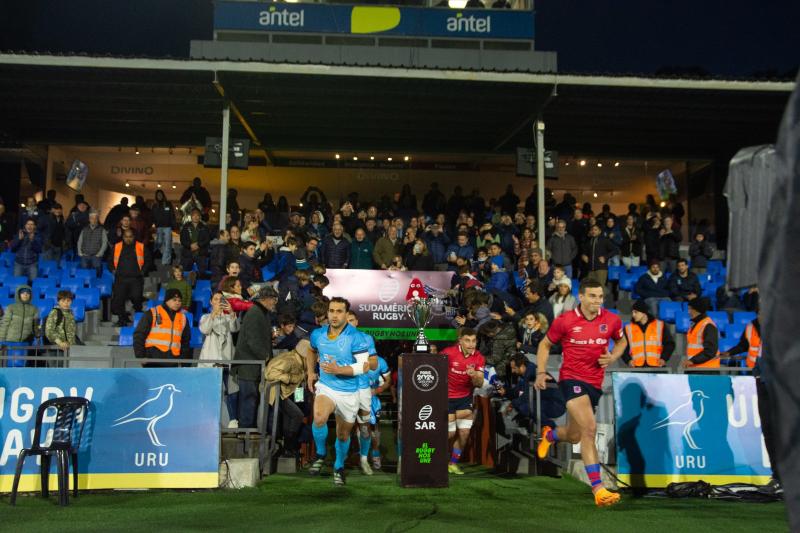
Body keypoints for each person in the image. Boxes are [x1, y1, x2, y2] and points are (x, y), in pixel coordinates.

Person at [535, 279, 627, 507]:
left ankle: (551, 435)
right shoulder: (565, 320)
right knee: (590, 428)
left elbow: (622, 341)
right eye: (593, 296)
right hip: (571, 380)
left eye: (601, 296)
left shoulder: (612, 320)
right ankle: (598, 488)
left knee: (575, 435)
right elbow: (545, 344)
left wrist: (613, 356)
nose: (598, 300)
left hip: (594, 383)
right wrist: (541, 372)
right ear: (582, 297)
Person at [306, 297, 376, 486]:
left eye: (339, 311)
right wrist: (310, 372)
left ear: (346, 314)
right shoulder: (318, 334)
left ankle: (338, 466)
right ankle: (320, 454)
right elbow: (311, 350)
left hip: (349, 392)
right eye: (331, 311)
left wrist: (339, 370)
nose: (334, 315)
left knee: (343, 435)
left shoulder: (356, 337)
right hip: (326, 386)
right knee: (319, 417)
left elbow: (364, 366)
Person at [345, 311, 389, 475]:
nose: (349, 323)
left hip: (368, 397)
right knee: (347, 428)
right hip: (348, 393)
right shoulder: (340, 346)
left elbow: (387, 380)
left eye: (352, 320)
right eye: (346, 321)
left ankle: (374, 455)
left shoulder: (379, 360)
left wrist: (376, 390)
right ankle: (349, 457)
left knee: (370, 429)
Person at [231, 286, 279, 428]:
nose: (275, 303)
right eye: (274, 299)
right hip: (248, 365)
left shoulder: (261, 313)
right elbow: (253, 340)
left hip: (253, 365)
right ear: (265, 299)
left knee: (251, 399)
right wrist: (265, 357)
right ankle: (245, 432)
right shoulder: (255, 313)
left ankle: (248, 430)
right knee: (249, 398)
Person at [441, 327, 485, 475]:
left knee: (464, 433)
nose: (471, 344)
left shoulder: (479, 358)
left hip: (465, 399)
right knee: (450, 433)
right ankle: (441, 459)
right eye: (467, 340)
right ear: (460, 341)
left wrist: (474, 376)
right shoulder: (448, 353)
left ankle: (452, 463)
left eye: (474, 341)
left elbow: (479, 383)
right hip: (446, 398)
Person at [265, 339, 312, 458]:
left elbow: (300, 385)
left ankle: (288, 449)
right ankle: (288, 447)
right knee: (297, 415)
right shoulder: (290, 360)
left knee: (291, 417)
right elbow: (269, 373)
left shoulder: (300, 364)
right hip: (277, 393)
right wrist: (290, 378)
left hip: (285, 394)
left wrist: (300, 401)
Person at [198, 291, 239, 426]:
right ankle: (207, 420)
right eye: (215, 299)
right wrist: (213, 314)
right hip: (210, 362)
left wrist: (231, 312)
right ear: (211, 302)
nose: (218, 301)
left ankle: (233, 420)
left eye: (221, 299)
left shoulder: (228, 318)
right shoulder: (205, 317)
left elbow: (235, 328)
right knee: (209, 391)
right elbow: (205, 329)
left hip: (226, 360)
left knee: (230, 390)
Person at [132, 288, 191, 366]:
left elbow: (185, 341)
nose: (177, 303)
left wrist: (183, 361)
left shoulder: (183, 318)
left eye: (179, 301)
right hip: (152, 359)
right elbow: (139, 335)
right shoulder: (152, 313)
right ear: (166, 300)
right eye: (174, 300)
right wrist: (140, 356)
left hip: (173, 360)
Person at [110, 229, 149, 327]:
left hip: (136, 278)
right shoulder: (117, 247)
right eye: (126, 237)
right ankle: (122, 319)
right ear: (123, 237)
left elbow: (148, 260)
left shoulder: (141, 246)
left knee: (136, 297)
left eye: (130, 237)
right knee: (119, 299)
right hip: (120, 278)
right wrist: (113, 270)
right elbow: (110, 260)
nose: (128, 239)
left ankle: (137, 315)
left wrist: (143, 271)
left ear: (133, 237)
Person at [622, 300, 674, 368]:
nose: (633, 315)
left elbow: (670, 344)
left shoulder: (660, 325)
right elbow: (622, 347)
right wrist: (628, 360)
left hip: (657, 366)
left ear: (644, 313)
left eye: (636, 312)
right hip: (637, 367)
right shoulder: (628, 328)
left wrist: (664, 358)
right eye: (632, 312)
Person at [0, 286, 40, 367]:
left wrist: (37, 337)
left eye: (27, 293)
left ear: (30, 295)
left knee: (21, 365)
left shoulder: (34, 309)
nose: (25, 295)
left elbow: (35, 326)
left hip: (25, 342)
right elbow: (5, 324)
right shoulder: (11, 307)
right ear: (18, 294)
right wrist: (1, 339)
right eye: (23, 293)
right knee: (7, 365)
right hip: (9, 341)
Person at [684, 297, 720, 369]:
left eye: (690, 309)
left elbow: (710, 350)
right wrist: (692, 361)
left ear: (697, 310)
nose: (688, 312)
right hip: (696, 367)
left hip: (707, 369)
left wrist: (693, 361)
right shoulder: (696, 324)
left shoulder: (708, 325)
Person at [77, 210, 108, 276]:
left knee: (97, 274)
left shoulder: (102, 230)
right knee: (84, 274)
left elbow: (105, 243)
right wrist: (80, 252)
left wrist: (99, 254)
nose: (93, 220)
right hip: (85, 255)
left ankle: (97, 282)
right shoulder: (84, 229)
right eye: (92, 218)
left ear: (97, 219)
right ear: (89, 219)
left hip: (96, 256)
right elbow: (80, 241)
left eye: (95, 218)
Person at [180, 208, 211, 275]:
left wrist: (198, 245)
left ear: (200, 217)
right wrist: (190, 245)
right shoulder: (185, 226)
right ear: (191, 216)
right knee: (185, 273)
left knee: (202, 273)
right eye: (194, 215)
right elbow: (182, 240)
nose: (196, 217)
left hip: (201, 253)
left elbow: (207, 239)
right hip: (188, 253)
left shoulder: (204, 227)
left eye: (197, 215)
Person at [153, 189, 176, 266]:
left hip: (167, 227)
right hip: (159, 227)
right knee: (159, 242)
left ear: (163, 195)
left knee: (168, 244)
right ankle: (163, 253)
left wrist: (173, 225)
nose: (159, 196)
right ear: (156, 196)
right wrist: (154, 224)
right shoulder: (154, 205)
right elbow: (152, 216)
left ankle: (165, 261)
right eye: (158, 195)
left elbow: (172, 215)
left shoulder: (168, 204)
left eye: (160, 194)